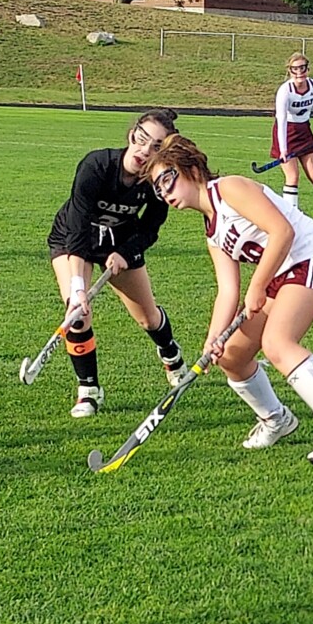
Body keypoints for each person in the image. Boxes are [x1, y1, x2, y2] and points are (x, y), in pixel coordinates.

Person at [143, 135, 313, 464]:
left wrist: (258, 286)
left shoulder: (229, 189)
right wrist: (212, 340)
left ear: (191, 169)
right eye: (157, 188)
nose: (164, 192)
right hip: (282, 277)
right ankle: (276, 419)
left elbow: (282, 232)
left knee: (277, 342)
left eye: (167, 179)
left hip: (312, 259)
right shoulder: (212, 232)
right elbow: (227, 291)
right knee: (231, 356)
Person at [47, 108, 188, 418]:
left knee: (148, 318)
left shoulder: (156, 182)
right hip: (74, 238)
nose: (144, 151)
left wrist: (125, 251)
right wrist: (78, 287)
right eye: (141, 139)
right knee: (77, 312)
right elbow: (77, 226)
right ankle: (89, 390)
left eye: (156, 147)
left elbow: (151, 228)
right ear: (131, 135)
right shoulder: (96, 165)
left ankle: (170, 354)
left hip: (121, 241)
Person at [272, 52, 313, 230]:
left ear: (308, 69)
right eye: (295, 69)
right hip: (286, 133)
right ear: (289, 71)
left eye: (302, 68)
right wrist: (283, 149)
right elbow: (281, 120)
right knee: (292, 177)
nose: (299, 72)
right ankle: (292, 219)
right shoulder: (285, 91)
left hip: (304, 131)